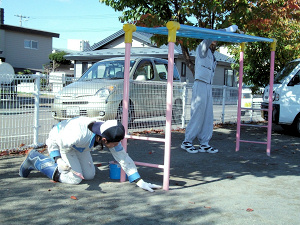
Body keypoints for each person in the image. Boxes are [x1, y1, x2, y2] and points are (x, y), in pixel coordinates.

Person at [19, 116, 161, 192]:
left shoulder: (106, 131)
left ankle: (53, 164)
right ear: (104, 139)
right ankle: (35, 159)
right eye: (116, 142)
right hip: (63, 142)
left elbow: (123, 157)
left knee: (89, 176)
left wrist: (139, 181)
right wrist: (57, 160)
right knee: (75, 179)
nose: (118, 145)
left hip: (81, 147)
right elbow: (54, 142)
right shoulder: (77, 135)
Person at [181, 25, 239, 154]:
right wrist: (227, 30)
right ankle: (187, 141)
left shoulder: (212, 55)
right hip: (200, 84)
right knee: (197, 113)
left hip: (208, 85)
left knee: (208, 115)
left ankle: (204, 143)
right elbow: (210, 36)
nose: (215, 40)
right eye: (214, 38)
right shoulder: (202, 48)